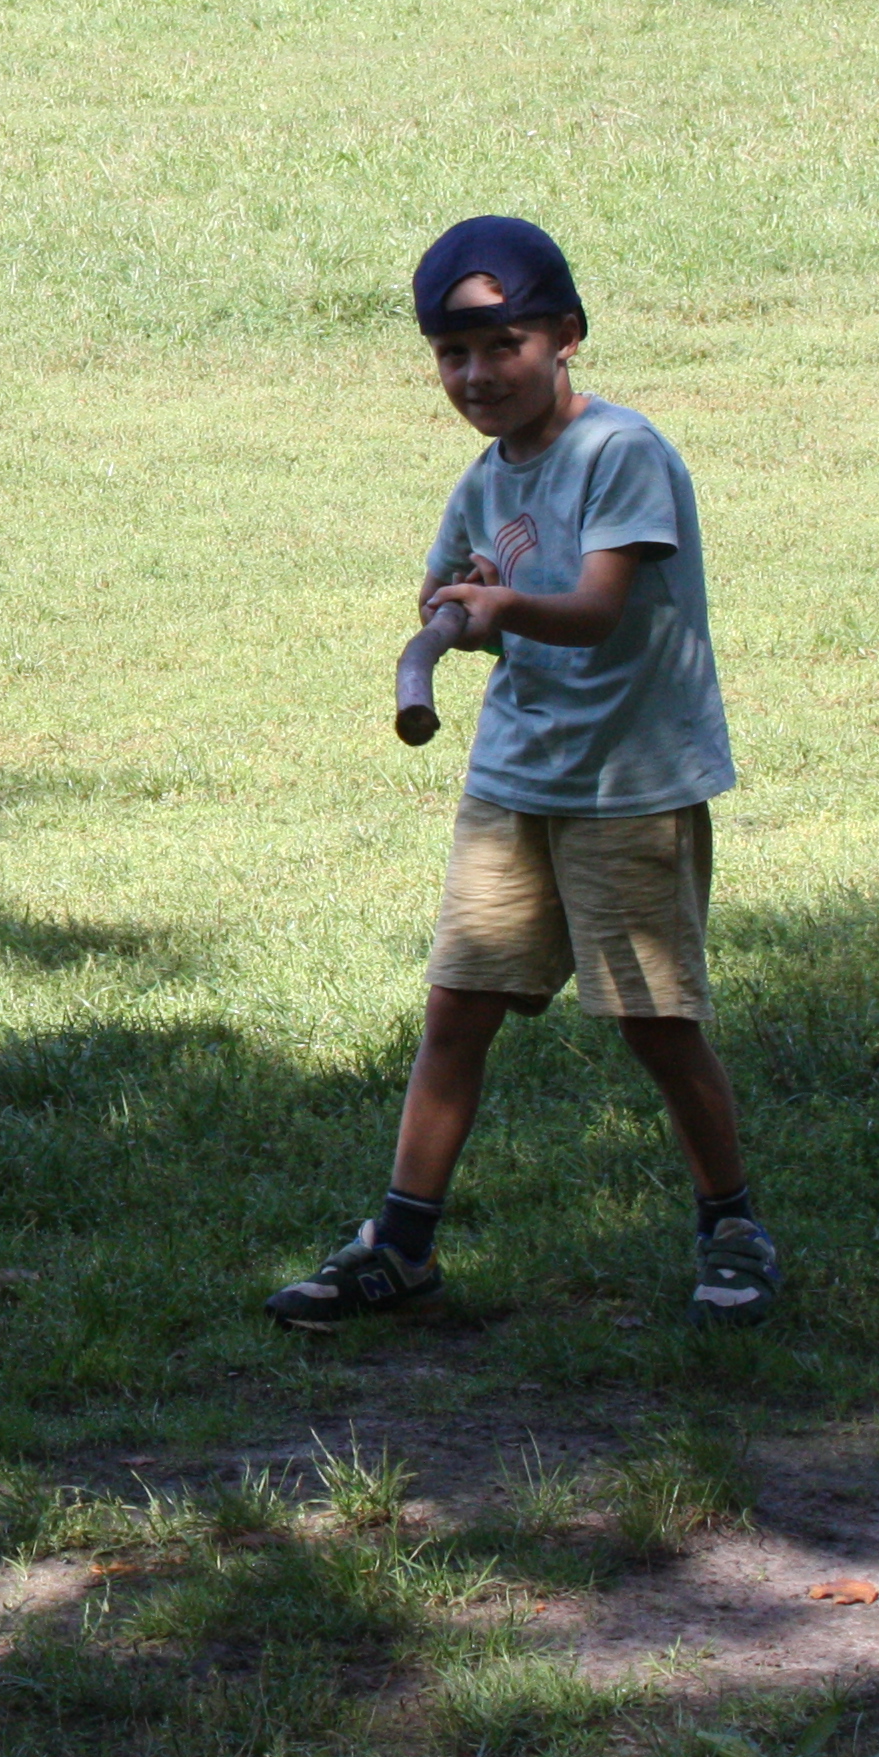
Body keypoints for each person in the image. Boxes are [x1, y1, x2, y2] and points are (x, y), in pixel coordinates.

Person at [269, 218, 772, 1328]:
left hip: (627, 782)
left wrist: (498, 605)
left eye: (503, 346)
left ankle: (733, 1223)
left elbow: (595, 609)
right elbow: (456, 591)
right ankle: (399, 1245)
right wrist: (453, 611)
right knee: (458, 1007)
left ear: (567, 338)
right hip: (516, 779)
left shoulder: (620, 453)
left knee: (653, 1016)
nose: (477, 375)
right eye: (453, 353)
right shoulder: (485, 479)